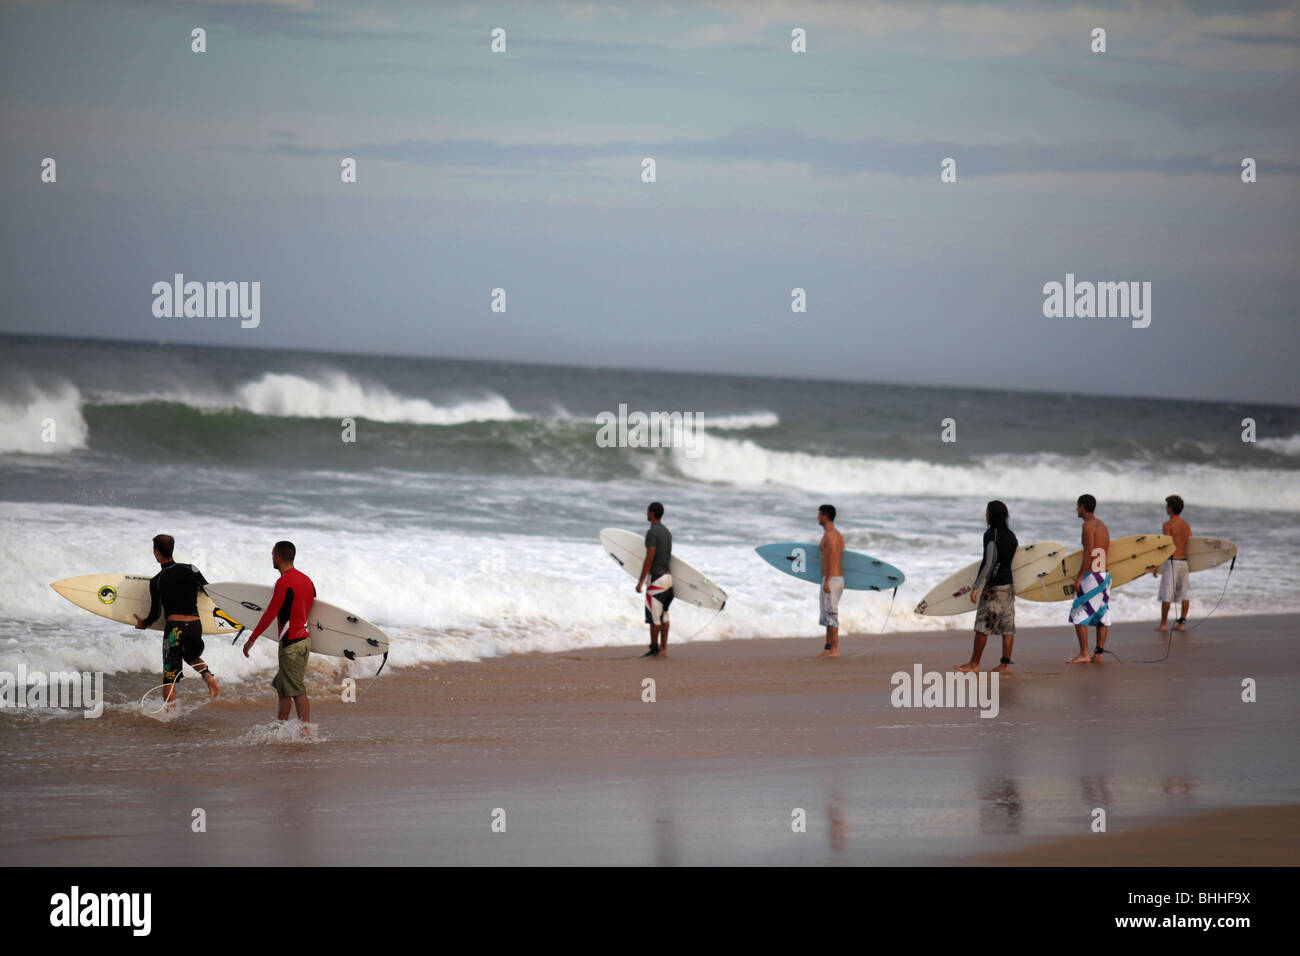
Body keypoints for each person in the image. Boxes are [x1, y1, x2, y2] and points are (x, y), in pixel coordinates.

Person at [133, 534, 220, 706]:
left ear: (157, 553)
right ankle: (208, 677)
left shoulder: (157, 581)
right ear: (172, 550)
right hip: (195, 625)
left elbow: (156, 613)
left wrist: (144, 623)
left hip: (175, 628)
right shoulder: (192, 569)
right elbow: (207, 589)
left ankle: (169, 713)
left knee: (169, 675)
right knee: (192, 656)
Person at [242, 540, 315, 724]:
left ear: (278, 557)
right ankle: (280, 727)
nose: (272, 558)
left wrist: (252, 639)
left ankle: (305, 732)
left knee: (296, 690)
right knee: (283, 688)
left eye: (273, 554)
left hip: (291, 643)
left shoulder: (284, 582)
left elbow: (271, 613)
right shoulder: (307, 581)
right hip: (303, 640)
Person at [957, 500, 1018, 673]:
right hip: (1009, 585)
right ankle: (1005, 664)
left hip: (994, 588)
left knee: (982, 626)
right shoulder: (1011, 535)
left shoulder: (992, 534)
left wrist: (977, 586)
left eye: (987, 511)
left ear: (992, 514)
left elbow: (989, 562)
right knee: (1007, 627)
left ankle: (974, 664)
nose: (985, 514)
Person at [1068, 494, 1111, 664]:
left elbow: (1089, 552)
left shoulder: (1087, 526)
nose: (1077, 509)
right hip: (1104, 575)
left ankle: (1084, 653)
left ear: (1084, 507)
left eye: (1078, 506)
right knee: (1102, 614)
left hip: (1092, 575)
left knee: (1078, 612)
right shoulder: (1103, 526)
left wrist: (1079, 578)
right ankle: (1098, 654)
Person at [636, 503, 673, 658]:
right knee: (664, 615)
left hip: (657, 580)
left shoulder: (652, 532)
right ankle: (663, 648)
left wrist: (640, 581)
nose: (646, 513)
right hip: (668, 578)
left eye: (647, 511)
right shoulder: (667, 532)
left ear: (652, 513)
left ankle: (654, 648)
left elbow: (649, 557)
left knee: (654, 617)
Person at [1152, 494, 1192, 631]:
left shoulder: (1168, 525)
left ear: (1170, 508)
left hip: (1172, 562)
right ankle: (1182, 623)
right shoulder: (1186, 525)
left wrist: (1157, 565)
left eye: (1166, 506)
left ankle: (1163, 624)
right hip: (1184, 562)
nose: (1165, 508)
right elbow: (1190, 543)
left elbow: (1166, 546)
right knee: (1185, 593)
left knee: (1167, 594)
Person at [817, 504, 845, 658]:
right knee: (828, 615)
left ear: (824, 516)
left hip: (832, 579)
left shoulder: (831, 535)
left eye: (819, 514)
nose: (817, 517)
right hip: (833, 578)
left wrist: (828, 580)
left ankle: (834, 650)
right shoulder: (835, 534)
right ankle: (828, 648)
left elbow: (833, 557)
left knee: (832, 615)